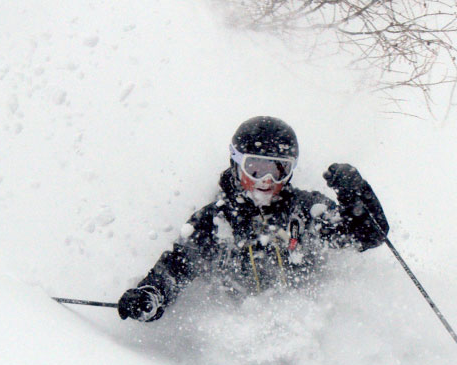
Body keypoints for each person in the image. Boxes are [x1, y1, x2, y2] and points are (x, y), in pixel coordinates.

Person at [118, 116, 389, 322]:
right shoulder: (216, 220)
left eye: (279, 169)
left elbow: (368, 236)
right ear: (236, 164)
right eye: (256, 168)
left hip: (310, 322)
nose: (267, 181)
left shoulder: (306, 208)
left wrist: (355, 195)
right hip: (242, 330)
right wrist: (152, 295)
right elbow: (177, 266)